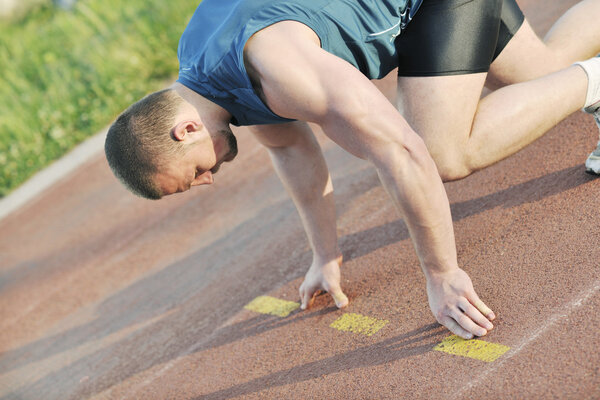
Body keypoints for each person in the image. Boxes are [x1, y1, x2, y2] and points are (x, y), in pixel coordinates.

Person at [104, 0, 600, 340]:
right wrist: (326, 255)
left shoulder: (278, 68)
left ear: (184, 131)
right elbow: (291, 151)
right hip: (411, 13)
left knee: (441, 151)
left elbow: (403, 153)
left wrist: (442, 273)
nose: (207, 180)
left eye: (193, 175)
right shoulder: (207, 75)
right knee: (546, 72)